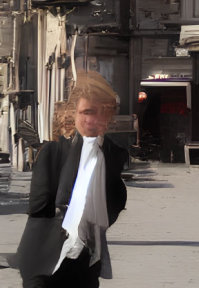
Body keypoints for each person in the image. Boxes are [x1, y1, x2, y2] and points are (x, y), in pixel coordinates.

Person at [16, 71, 128, 287]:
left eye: (100, 112)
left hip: (85, 264)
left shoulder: (112, 155)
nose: (92, 120)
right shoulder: (53, 153)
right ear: (72, 114)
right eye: (86, 112)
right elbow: (38, 211)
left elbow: (115, 202)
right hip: (46, 263)